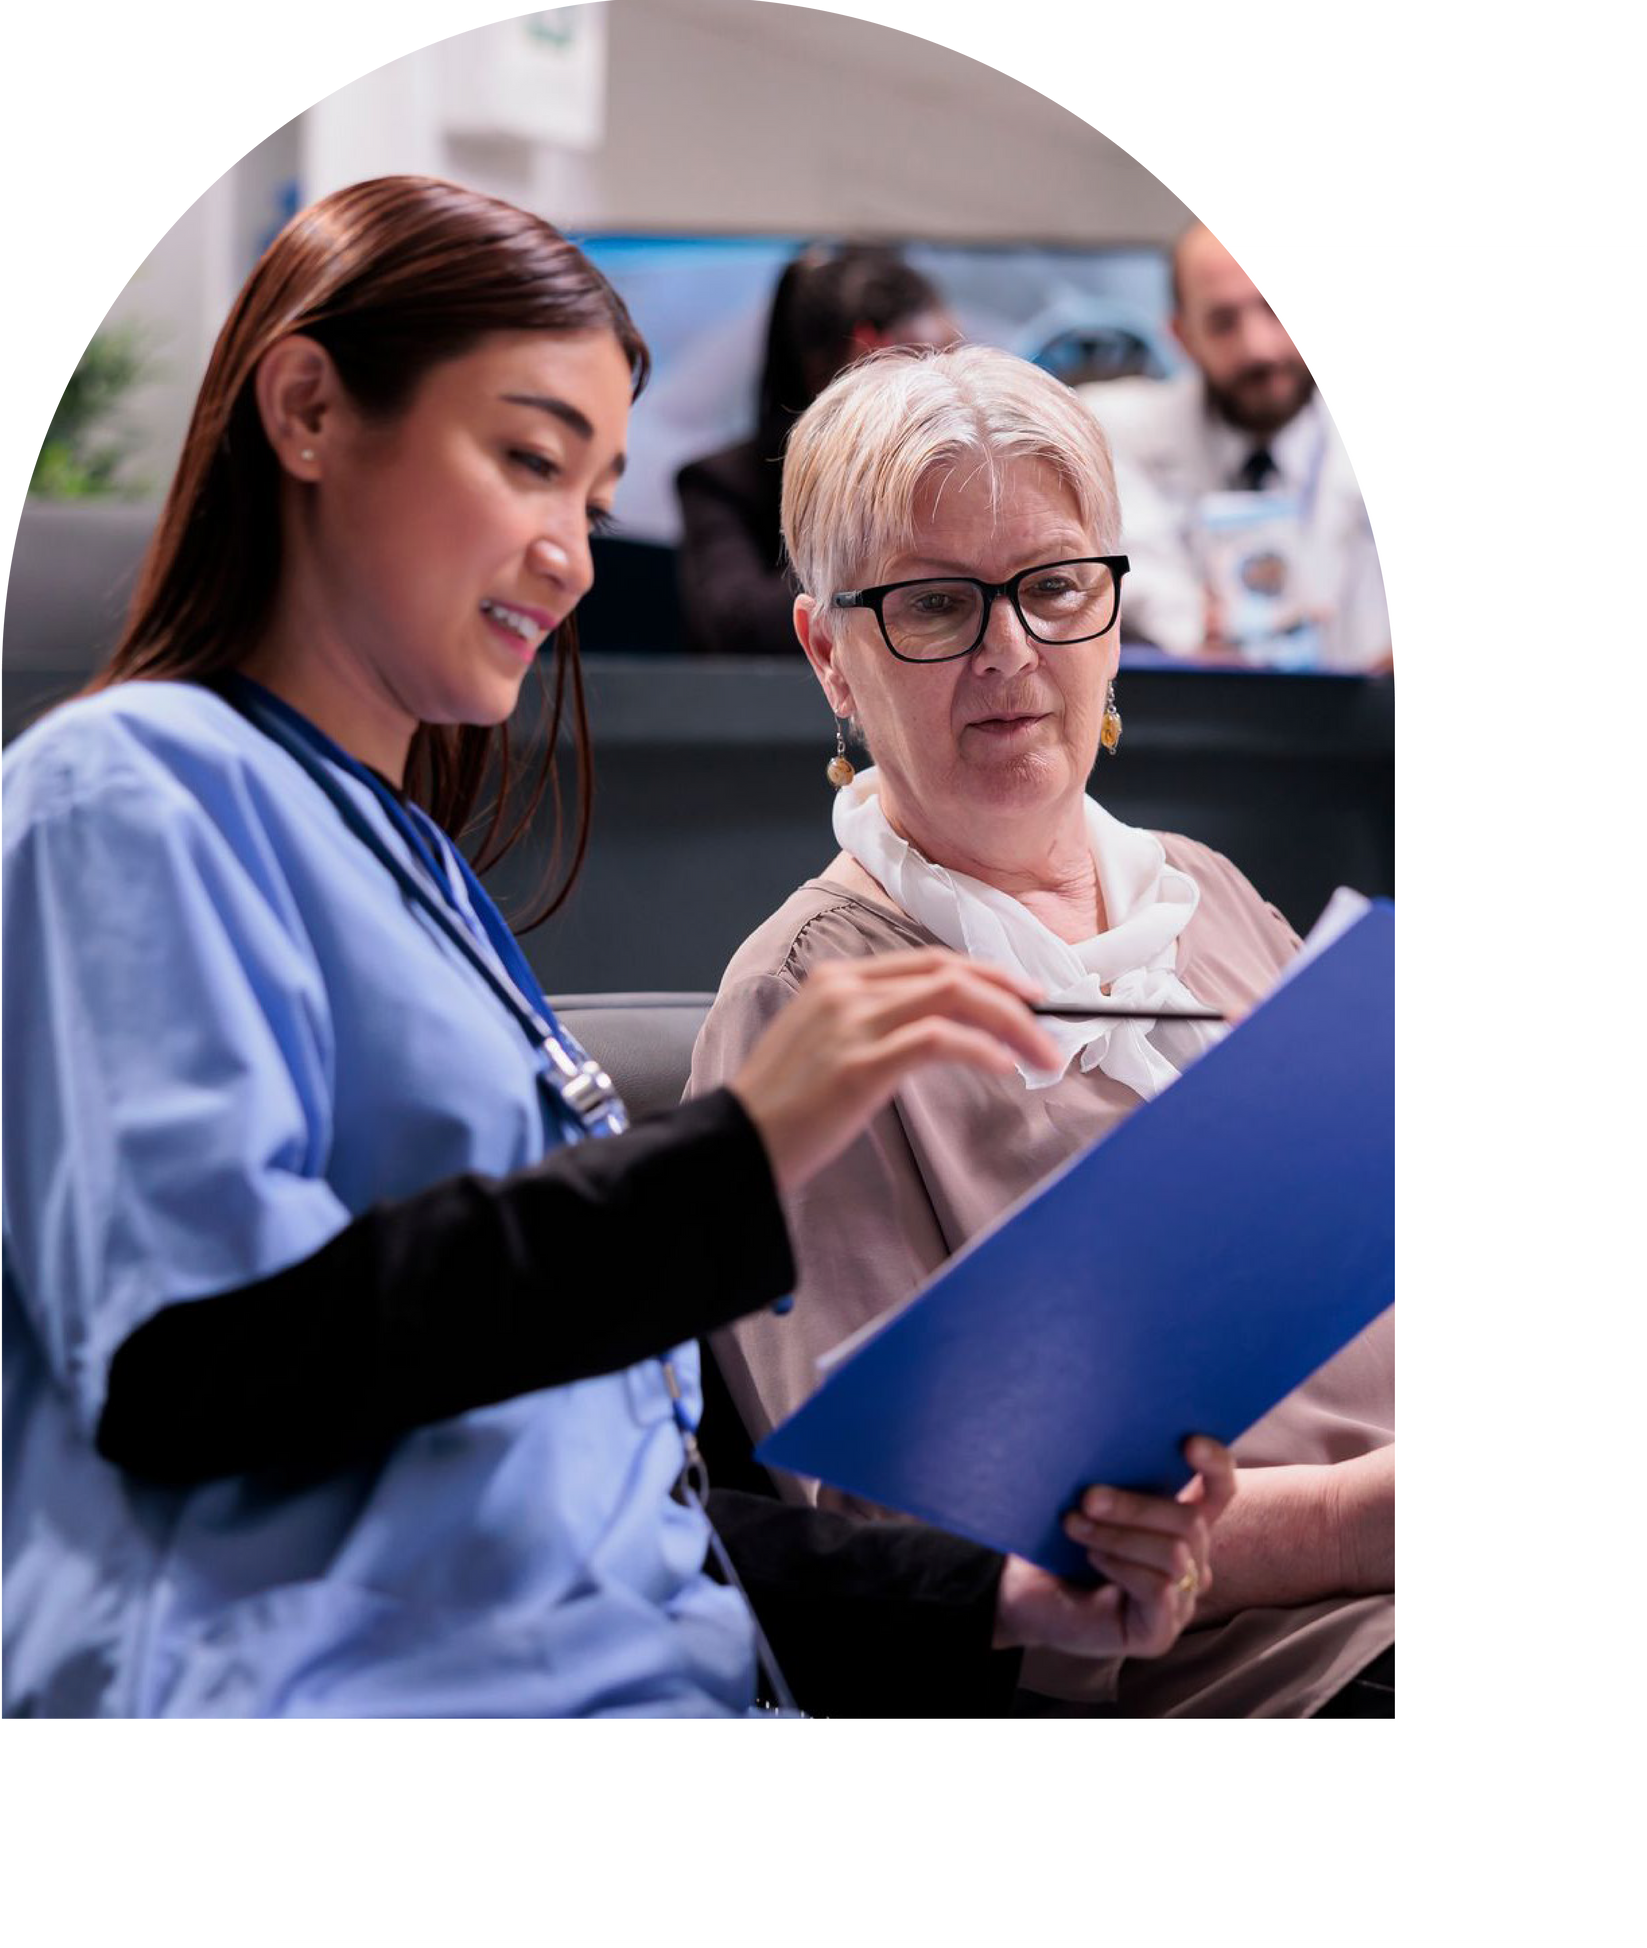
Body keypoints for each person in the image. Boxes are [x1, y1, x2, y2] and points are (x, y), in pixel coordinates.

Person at [0, 178, 1238, 1721]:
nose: (573, 557)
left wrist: (992, 1593)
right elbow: (197, 1371)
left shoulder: (410, 871)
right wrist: (735, 1152)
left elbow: (588, 1507)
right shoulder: (129, 793)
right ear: (307, 409)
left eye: (590, 501)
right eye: (526, 460)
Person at [687, 341, 1395, 1717]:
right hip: (1280, 1686)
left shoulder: (1211, 900)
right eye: (938, 605)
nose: (1010, 653)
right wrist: (1361, 1520)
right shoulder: (802, 1005)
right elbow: (900, 1549)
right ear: (829, 653)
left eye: (1054, 587)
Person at [1079, 223, 1391, 673]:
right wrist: (1191, 625)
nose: (1258, 348)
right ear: (1181, 336)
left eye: (1277, 310)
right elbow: (1128, 575)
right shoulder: (1116, 433)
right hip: (1208, 721)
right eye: (1223, 322)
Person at [674, 244, 960, 656]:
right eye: (932, 358)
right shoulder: (723, 482)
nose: (952, 383)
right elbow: (739, 626)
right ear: (869, 361)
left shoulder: (956, 474)